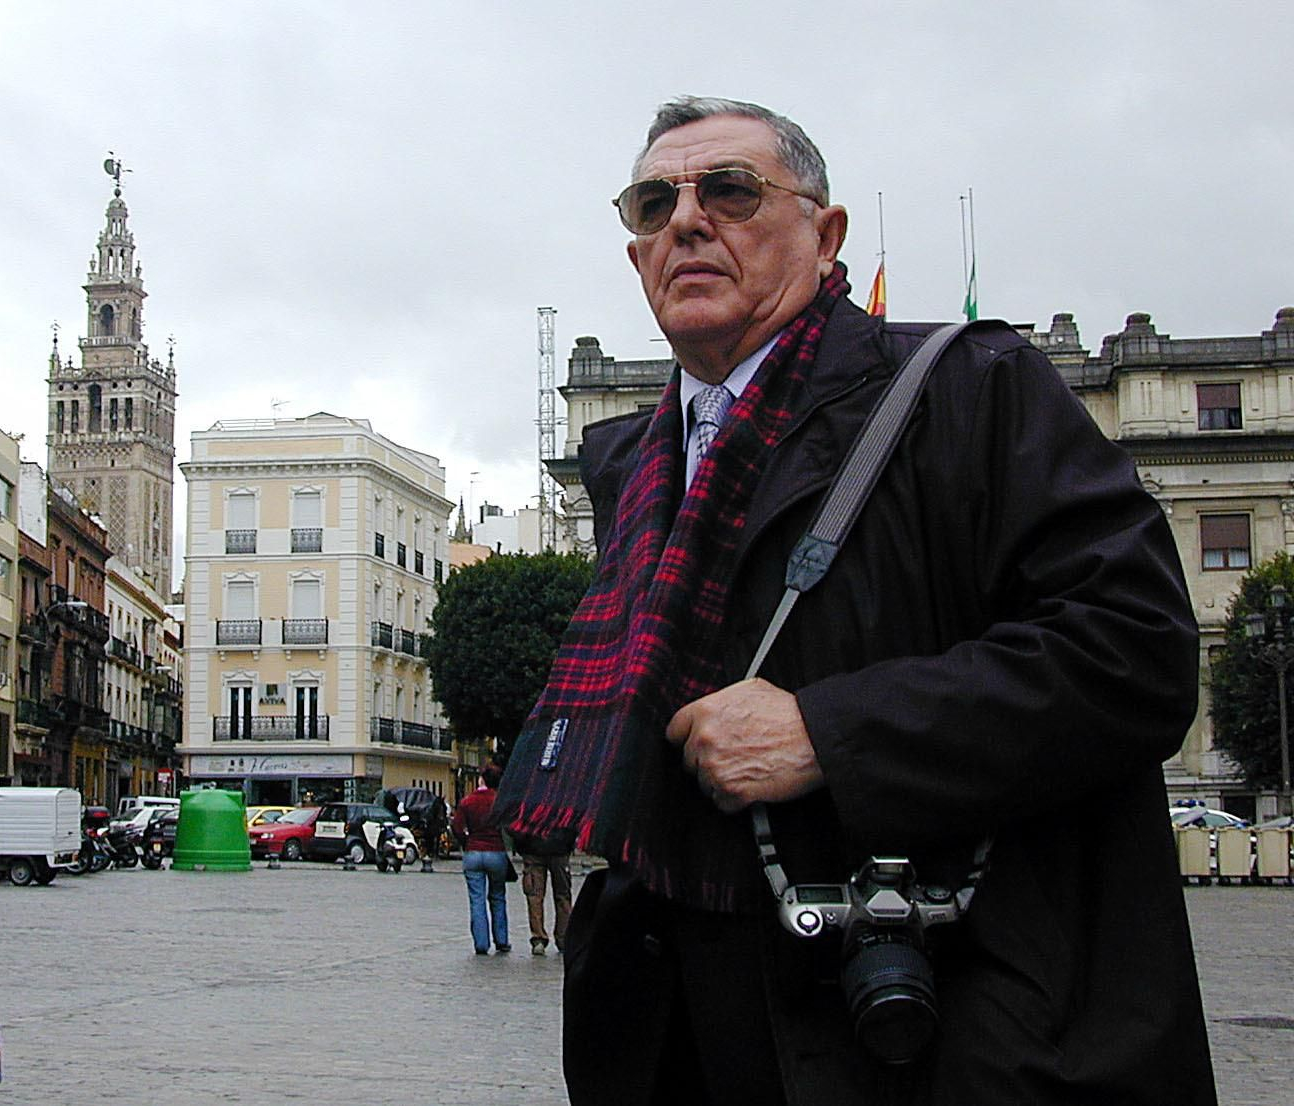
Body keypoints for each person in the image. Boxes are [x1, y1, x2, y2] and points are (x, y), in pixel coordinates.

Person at [495, 96, 1215, 1104]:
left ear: (825, 234)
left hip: (931, 1033)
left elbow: (1134, 652)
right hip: (675, 1034)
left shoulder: (974, 389)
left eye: (730, 191)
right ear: (636, 253)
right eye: (654, 204)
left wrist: (830, 735)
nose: (686, 221)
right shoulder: (633, 465)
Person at [450, 762, 511, 955]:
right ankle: (502, 939)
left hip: (474, 851)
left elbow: (456, 827)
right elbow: (509, 826)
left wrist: (466, 842)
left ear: (481, 780)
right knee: (498, 896)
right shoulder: (499, 801)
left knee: (477, 899)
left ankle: (481, 943)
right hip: (496, 851)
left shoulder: (467, 801)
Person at [514, 832, 573, 956]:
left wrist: (521, 844)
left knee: (534, 897)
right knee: (563, 896)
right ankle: (563, 938)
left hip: (533, 847)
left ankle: (538, 939)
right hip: (559, 847)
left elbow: (513, 825)